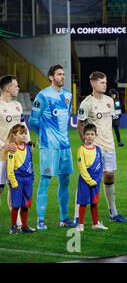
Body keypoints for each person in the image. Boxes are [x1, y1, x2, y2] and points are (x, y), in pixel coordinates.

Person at [76, 71, 127, 223]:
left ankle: (113, 213)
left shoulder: (109, 101)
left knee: (110, 176)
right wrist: (85, 144)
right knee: (88, 179)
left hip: (109, 145)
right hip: (95, 147)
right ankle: (77, 216)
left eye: (105, 82)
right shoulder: (87, 103)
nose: (105, 85)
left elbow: (109, 123)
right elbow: (80, 124)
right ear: (93, 83)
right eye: (102, 82)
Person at [30, 65, 76, 230]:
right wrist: (45, 136)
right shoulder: (42, 96)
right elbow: (33, 121)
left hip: (65, 146)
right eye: (59, 74)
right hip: (49, 146)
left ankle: (64, 218)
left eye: (63, 74)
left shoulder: (68, 96)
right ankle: (40, 220)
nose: (62, 77)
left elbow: (66, 120)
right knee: (45, 181)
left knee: (65, 181)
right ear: (51, 77)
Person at [0, 75, 29, 227]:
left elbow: (23, 126)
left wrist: (28, 141)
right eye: (16, 86)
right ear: (7, 88)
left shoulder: (17, 105)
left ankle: (16, 220)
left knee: (14, 185)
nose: (18, 88)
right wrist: (3, 145)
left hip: (16, 155)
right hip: (1, 155)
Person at [75, 124, 109, 232]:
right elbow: (82, 168)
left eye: (92, 134)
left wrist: (98, 180)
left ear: (96, 135)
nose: (90, 136)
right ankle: (80, 224)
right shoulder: (81, 149)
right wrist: (90, 181)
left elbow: (100, 166)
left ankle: (95, 223)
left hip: (96, 181)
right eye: (87, 134)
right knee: (83, 202)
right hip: (85, 181)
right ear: (84, 136)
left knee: (94, 202)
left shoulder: (98, 149)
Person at [6, 124, 35, 234]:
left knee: (26, 204)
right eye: (20, 134)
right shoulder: (13, 149)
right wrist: (13, 182)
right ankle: (13, 226)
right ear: (14, 135)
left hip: (28, 180)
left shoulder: (28, 147)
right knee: (16, 205)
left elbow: (31, 163)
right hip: (17, 180)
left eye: (25, 134)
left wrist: (32, 177)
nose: (23, 136)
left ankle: (24, 226)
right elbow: (10, 168)